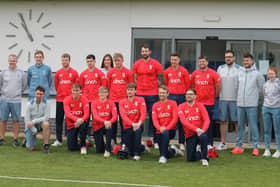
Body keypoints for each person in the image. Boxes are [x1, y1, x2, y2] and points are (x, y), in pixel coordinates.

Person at [231, 53, 265, 156]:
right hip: (240, 104)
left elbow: (261, 89)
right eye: (245, 61)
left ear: (252, 61)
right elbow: (237, 87)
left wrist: (256, 99)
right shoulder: (239, 72)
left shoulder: (258, 74)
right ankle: (238, 146)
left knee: (253, 126)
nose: (246, 62)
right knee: (240, 126)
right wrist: (239, 98)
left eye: (248, 61)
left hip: (252, 104)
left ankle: (255, 147)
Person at [133, 44, 163, 149]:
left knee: (153, 116)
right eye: (143, 51)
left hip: (152, 94)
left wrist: (154, 88)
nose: (144, 53)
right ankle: (138, 138)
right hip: (140, 94)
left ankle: (154, 139)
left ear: (150, 52)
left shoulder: (156, 64)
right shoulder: (137, 64)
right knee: (138, 115)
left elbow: (160, 79)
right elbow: (135, 78)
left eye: (146, 51)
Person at [191, 56, 221, 148]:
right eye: (200, 62)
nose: (201, 63)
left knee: (208, 124)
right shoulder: (195, 74)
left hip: (209, 103)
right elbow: (192, 87)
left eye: (203, 61)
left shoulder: (213, 73)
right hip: (197, 104)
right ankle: (198, 144)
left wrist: (213, 97)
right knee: (197, 123)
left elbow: (218, 87)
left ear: (207, 62)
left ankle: (209, 144)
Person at [164, 53, 190, 150]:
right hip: (171, 97)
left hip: (181, 97)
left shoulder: (184, 71)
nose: (173, 62)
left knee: (181, 120)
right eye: (172, 60)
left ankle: (182, 142)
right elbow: (166, 84)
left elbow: (188, 85)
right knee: (169, 119)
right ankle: (168, 141)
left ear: (179, 60)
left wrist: (185, 97)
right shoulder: (167, 71)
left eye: (175, 60)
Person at [52, 53, 79, 147]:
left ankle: (70, 138)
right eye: (63, 60)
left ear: (69, 61)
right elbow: (56, 86)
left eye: (66, 60)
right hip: (60, 100)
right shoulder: (58, 73)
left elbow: (77, 87)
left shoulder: (74, 72)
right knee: (59, 120)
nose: (64, 62)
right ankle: (58, 140)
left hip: (71, 101)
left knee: (70, 120)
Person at [178, 88, 210, 166]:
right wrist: (196, 129)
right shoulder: (181, 106)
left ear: (195, 96)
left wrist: (202, 130)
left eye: (191, 94)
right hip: (190, 134)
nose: (188, 96)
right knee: (190, 158)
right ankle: (200, 152)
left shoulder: (200, 105)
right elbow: (184, 122)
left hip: (200, 132)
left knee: (204, 137)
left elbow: (207, 119)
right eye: (187, 94)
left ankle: (204, 158)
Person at [0, 54, 27, 146]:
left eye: (14, 60)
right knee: (3, 120)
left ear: (16, 61)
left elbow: (24, 86)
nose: (12, 62)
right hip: (4, 100)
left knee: (16, 121)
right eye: (10, 60)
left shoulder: (21, 73)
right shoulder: (3, 73)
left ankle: (15, 139)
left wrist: (17, 93)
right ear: (8, 61)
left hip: (16, 100)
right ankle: (1, 138)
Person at [152, 85, 183, 164]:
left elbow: (175, 118)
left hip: (170, 130)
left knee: (163, 152)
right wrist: (159, 128)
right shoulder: (155, 105)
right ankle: (173, 151)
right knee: (164, 151)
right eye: (160, 93)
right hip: (159, 130)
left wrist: (166, 128)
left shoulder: (173, 103)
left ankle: (163, 157)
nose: (161, 94)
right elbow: (154, 119)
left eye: (163, 93)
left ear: (168, 94)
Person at [107, 53, 133, 145]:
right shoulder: (110, 72)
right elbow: (108, 86)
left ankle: (124, 141)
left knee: (123, 122)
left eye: (119, 60)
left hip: (123, 101)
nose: (117, 62)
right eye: (115, 60)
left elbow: (130, 86)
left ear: (122, 60)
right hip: (113, 101)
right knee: (113, 121)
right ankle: (112, 140)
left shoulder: (128, 72)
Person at [80, 54, 107, 144]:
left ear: (95, 62)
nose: (89, 63)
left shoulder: (100, 73)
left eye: (91, 61)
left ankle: (97, 141)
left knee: (97, 122)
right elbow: (81, 88)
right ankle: (84, 140)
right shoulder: (83, 74)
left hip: (96, 102)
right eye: (88, 61)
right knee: (85, 122)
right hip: (86, 102)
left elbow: (104, 87)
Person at [216, 50, 240, 150]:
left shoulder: (240, 69)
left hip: (236, 99)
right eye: (226, 57)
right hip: (223, 99)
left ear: (234, 58)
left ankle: (239, 144)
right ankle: (223, 143)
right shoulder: (220, 68)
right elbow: (217, 84)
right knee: (223, 121)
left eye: (230, 57)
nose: (228, 58)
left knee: (237, 122)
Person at [119, 83, 148, 160]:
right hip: (127, 127)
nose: (129, 92)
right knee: (129, 150)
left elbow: (143, 113)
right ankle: (142, 147)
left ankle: (137, 154)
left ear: (135, 91)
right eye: (128, 90)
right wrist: (132, 124)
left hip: (138, 125)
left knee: (137, 131)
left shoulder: (141, 100)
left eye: (131, 90)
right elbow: (123, 116)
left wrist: (139, 123)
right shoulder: (122, 102)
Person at [91, 86, 118, 157]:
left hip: (107, 125)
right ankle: (110, 144)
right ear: (98, 94)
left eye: (104, 92)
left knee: (108, 128)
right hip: (97, 126)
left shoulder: (111, 103)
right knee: (99, 150)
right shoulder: (94, 103)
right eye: (101, 93)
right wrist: (105, 121)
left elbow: (115, 116)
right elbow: (95, 116)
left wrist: (110, 122)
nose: (102, 94)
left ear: (107, 93)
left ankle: (107, 150)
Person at [63, 83, 90, 154]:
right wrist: (76, 120)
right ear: (71, 90)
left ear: (80, 91)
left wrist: (80, 121)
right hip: (72, 123)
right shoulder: (66, 99)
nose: (75, 92)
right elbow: (67, 113)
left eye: (77, 90)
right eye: (73, 90)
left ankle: (83, 145)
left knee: (83, 125)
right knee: (71, 148)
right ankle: (78, 143)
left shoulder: (84, 99)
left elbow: (87, 114)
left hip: (81, 122)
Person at [24, 86, 51, 153]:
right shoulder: (29, 104)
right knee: (31, 148)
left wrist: (34, 121)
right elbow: (27, 120)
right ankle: (27, 141)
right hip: (31, 126)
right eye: (37, 94)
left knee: (46, 124)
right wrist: (34, 130)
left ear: (43, 94)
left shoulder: (47, 103)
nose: (39, 96)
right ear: (35, 93)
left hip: (40, 124)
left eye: (41, 94)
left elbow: (46, 117)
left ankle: (46, 145)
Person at [262, 67, 280, 158]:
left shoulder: (278, 84)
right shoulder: (265, 84)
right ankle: (267, 149)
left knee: (277, 130)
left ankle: (278, 150)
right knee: (266, 130)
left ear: (276, 74)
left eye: (272, 73)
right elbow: (264, 95)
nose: (270, 75)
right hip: (266, 108)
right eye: (269, 74)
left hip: (276, 108)